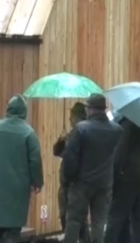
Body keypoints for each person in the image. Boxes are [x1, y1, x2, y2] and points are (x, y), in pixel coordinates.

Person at [61, 93, 123, 243]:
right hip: (104, 183)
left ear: (91, 109)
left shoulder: (81, 129)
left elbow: (70, 158)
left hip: (82, 183)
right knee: (98, 223)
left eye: (88, 107)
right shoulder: (117, 130)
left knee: (74, 221)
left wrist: (69, 179)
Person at [0, 95, 43, 243]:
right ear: (24, 111)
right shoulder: (28, 132)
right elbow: (35, 161)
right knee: (13, 230)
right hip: (18, 189)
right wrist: (37, 182)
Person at [102, 119, 140, 243]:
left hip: (128, 176)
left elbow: (120, 150)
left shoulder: (128, 124)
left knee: (115, 216)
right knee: (139, 217)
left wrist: (114, 174)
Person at [54, 102, 87, 242]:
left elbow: (74, 157)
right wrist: (61, 142)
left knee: (77, 220)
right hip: (65, 183)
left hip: (75, 183)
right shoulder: (70, 134)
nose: (69, 119)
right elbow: (56, 152)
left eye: (72, 116)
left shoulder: (84, 134)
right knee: (64, 215)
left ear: (78, 117)